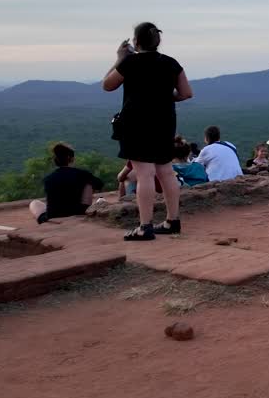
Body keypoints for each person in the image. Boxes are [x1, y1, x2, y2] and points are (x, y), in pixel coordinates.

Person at [102, 22, 192, 241]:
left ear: (136, 42)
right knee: (166, 171)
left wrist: (120, 57)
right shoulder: (171, 63)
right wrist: (165, 97)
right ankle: (172, 221)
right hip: (164, 123)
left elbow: (107, 85)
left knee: (144, 174)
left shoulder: (130, 62)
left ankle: (145, 227)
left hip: (136, 125)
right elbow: (186, 93)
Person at [29, 142, 104, 225]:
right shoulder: (82, 174)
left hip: (53, 216)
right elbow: (99, 184)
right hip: (79, 213)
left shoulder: (48, 178)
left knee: (34, 203)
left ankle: (47, 222)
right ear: (70, 158)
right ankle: (85, 210)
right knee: (90, 183)